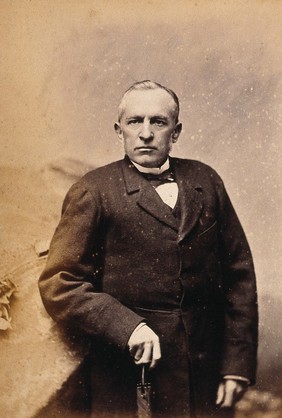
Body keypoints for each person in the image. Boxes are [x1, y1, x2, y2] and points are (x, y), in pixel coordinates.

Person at [38, 80, 258, 418]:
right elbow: (60, 283)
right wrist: (129, 327)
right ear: (118, 130)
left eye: (158, 121)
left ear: (176, 131)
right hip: (127, 378)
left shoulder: (206, 180)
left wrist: (235, 365)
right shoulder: (93, 191)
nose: (145, 133)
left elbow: (238, 277)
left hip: (204, 375)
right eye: (134, 121)